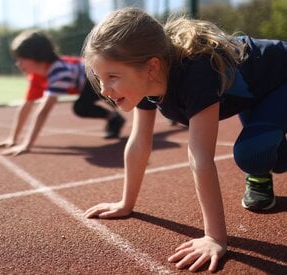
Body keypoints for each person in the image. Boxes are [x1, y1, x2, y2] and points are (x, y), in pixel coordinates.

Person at [81, 7, 287, 272]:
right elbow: (139, 143)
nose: (104, 90)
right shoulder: (146, 80)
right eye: (99, 78)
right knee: (255, 152)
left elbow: (200, 158)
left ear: (152, 67)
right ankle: (260, 170)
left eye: (112, 77)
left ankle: (259, 169)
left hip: (281, 78)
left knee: (252, 154)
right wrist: (126, 203)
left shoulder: (195, 71)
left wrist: (214, 238)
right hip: (255, 91)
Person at [0, 29, 125, 156]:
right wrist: (12, 139)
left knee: (82, 107)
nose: (18, 64)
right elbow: (26, 106)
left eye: (21, 59)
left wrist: (27, 145)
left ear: (37, 56)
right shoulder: (36, 76)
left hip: (94, 77)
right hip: (85, 83)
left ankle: (118, 116)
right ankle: (114, 118)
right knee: (85, 106)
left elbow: (43, 111)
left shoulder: (58, 72)